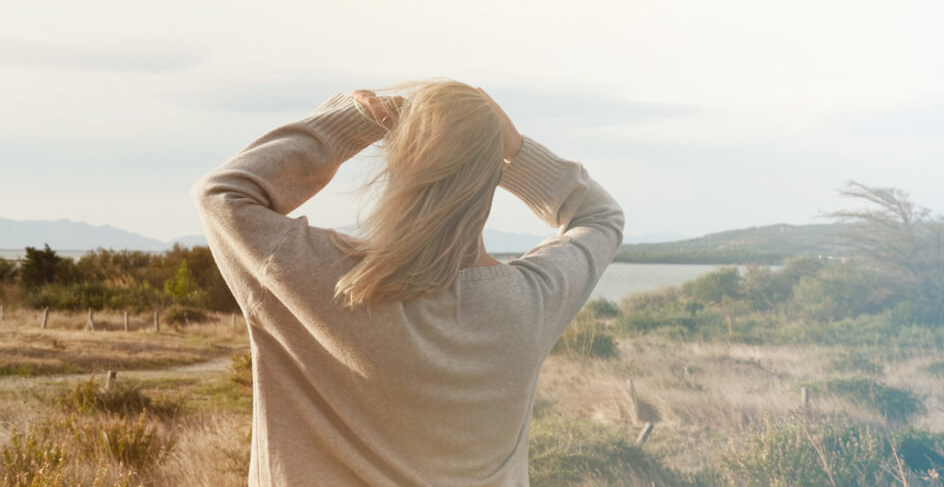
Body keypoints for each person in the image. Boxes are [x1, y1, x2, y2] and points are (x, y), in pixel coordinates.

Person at [191, 79, 624, 486]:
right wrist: (516, 151)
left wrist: (347, 126)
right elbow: (600, 218)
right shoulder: (530, 303)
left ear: (398, 165)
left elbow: (222, 194)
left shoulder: (313, 273)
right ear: (491, 178)